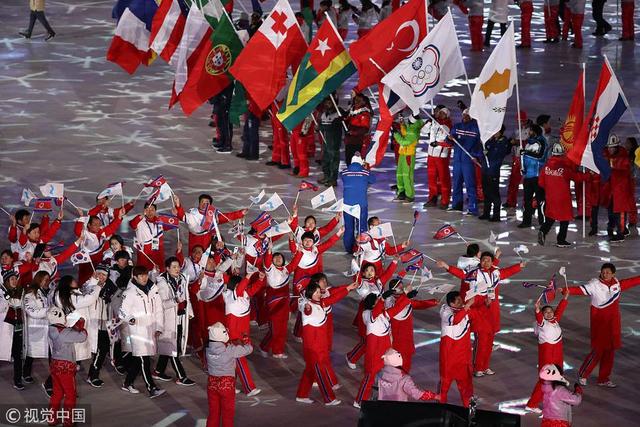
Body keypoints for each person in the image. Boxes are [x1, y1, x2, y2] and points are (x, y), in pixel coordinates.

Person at [438, 252, 524, 376]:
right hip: (478, 309)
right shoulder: (475, 273)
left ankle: (485, 366)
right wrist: (446, 266)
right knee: (481, 342)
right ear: (480, 261)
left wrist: (519, 266)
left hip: (491, 310)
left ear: (492, 262)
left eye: (488, 260)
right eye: (483, 260)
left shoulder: (495, 273)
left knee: (489, 342)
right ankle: (477, 368)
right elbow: (461, 274)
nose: (485, 263)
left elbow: (506, 272)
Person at [565, 263, 640, 387]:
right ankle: (583, 374)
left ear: (613, 274)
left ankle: (604, 378)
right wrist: (565, 290)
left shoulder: (617, 285)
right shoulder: (594, 285)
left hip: (613, 324)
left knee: (610, 351)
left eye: (608, 272)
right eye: (603, 272)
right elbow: (579, 289)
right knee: (598, 351)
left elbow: (633, 281)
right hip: (599, 324)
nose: (605, 274)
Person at [296, 281, 357, 405]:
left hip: (321, 344)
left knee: (310, 370)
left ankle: (301, 395)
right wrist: (306, 307)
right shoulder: (306, 304)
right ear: (310, 293)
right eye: (316, 292)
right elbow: (305, 309)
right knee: (320, 371)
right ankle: (329, 398)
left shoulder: (321, 303)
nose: (319, 294)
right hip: (312, 346)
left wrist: (348, 288)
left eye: (319, 292)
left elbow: (334, 298)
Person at [353, 290, 409, 408]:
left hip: (385, 351)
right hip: (374, 353)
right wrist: (382, 299)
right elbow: (375, 312)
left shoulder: (383, 314)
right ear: (373, 304)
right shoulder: (367, 314)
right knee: (369, 378)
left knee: (385, 377)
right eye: (378, 300)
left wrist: (407, 297)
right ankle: (359, 401)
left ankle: (382, 397)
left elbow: (397, 308)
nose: (381, 302)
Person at [119, 266, 166, 398]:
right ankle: (151, 388)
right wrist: (131, 320)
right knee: (143, 359)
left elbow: (158, 310)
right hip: (137, 332)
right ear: (135, 277)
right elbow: (122, 312)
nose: (144, 278)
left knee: (138, 360)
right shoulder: (130, 293)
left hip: (150, 330)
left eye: (145, 275)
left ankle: (127, 383)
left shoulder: (153, 290)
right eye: (141, 276)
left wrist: (159, 327)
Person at [153, 256, 195, 386]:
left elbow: (186, 297)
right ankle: (181, 376)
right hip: (168, 319)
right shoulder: (162, 283)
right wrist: (175, 301)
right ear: (167, 269)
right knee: (173, 348)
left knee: (170, 346)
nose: (177, 269)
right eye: (174, 267)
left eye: (178, 266)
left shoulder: (181, 279)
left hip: (180, 318)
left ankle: (158, 371)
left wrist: (189, 312)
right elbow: (160, 305)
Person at [526, 291, 569, 413]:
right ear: (543, 314)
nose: (549, 314)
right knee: (545, 381)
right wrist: (537, 309)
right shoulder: (542, 324)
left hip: (557, 355)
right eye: (546, 312)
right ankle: (532, 404)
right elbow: (538, 317)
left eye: (551, 311)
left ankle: (554, 401)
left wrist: (565, 298)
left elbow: (560, 310)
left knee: (558, 378)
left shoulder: (555, 320)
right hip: (547, 357)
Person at [206, 322, 253, 427]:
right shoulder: (229, 350)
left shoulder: (208, 349)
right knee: (227, 414)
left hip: (212, 384)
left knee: (213, 413)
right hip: (226, 385)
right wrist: (246, 341)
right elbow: (248, 349)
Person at [538, 143, 585, 247]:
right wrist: (587, 175)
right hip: (563, 197)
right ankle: (561, 240)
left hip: (550, 196)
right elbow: (577, 178)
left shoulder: (546, 166)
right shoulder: (564, 167)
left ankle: (543, 231)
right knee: (565, 219)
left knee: (550, 217)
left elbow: (541, 182)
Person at [386, 278, 438, 372]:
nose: (402, 289)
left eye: (402, 287)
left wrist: (433, 302)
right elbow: (397, 308)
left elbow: (418, 304)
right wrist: (406, 296)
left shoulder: (405, 299)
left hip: (407, 335)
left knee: (406, 358)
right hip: (395, 336)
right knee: (394, 359)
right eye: (400, 288)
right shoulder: (389, 301)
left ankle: (404, 379)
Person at [47, 307, 87, 427]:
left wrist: (73, 328)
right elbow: (83, 336)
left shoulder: (52, 329)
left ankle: (51, 418)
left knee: (57, 393)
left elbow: (68, 332)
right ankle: (68, 421)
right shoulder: (64, 333)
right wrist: (81, 326)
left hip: (55, 364)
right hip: (66, 366)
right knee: (70, 395)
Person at [259, 246, 302, 358]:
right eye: (275, 257)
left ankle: (265, 346)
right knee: (277, 327)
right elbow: (267, 261)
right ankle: (277, 351)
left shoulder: (286, 269)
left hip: (284, 303)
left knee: (282, 328)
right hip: (274, 303)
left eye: (280, 257)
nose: (278, 259)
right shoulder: (269, 268)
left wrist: (300, 251)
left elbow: (295, 263)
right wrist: (269, 251)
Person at [439, 291, 475, 406]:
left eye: (461, 300)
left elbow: (476, 316)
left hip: (463, 357)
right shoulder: (445, 311)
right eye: (458, 301)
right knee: (444, 385)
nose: (462, 302)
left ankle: (468, 409)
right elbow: (454, 320)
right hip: (449, 357)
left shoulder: (463, 310)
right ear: (451, 303)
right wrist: (467, 307)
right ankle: (440, 409)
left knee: (466, 387)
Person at [22, 271, 54, 395]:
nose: (47, 281)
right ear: (38, 279)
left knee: (51, 353)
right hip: (35, 327)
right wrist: (49, 310)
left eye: (48, 279)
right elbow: (32, 311)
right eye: (44, 279)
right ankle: (26, 373)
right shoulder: (30, 293)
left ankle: (53, 379)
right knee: (31, 353)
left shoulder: (48, 292)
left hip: (47, 327)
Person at [602, 135, 635, 242]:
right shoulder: (607, 156)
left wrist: (608, 163)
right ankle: (612, 228)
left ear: (616, 147)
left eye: (612, 147)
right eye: (609, 147)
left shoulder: (623, 158)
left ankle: (620, 233)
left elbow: (621, 166)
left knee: (620, 211)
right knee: (611, 211)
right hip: (611, 190)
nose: (610, 149)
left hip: (620, 190)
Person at [450, 109, 483, 215]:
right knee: (456, 184)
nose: (465, 117)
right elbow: (450, 141)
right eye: (463, 115)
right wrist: (449, 138)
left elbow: (480, 145)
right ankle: (457, 205)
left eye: (467, 115)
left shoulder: (476, 128)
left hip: (468, 161)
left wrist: (476, 155)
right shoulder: (457, 126)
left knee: (470, 185)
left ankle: (473, 208)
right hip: (457, 160)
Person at [341, 153, 375, 252]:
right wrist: (365, 169)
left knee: (349, 227)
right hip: (361, 205)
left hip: (347, 205)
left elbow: (343, 178)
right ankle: (362, 247)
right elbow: (373, 179)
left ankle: (348, 248)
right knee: (361, 226)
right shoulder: (365, 173)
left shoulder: (344, 172)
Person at [0, 270, 25, 390]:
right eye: (12, 279)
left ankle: (18, 380)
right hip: (5, 328)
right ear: (7, 281)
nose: (15, 281)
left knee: (18, 355)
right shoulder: (1, 294)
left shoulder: (21, 292)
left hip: (18, 329)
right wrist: (5, 299)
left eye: (16, 279)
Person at [424, 107, 453, 209]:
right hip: (431, 155)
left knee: (444, 179)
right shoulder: (433, 122)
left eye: (442, 113)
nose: (440, 114)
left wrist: (439, 143)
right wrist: (429, 122)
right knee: (431, 178)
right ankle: (432, 198)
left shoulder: (448, 125)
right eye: (439, 113)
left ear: (447, 115)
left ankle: (445, 201)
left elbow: (450, 143)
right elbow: (423, 131)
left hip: (441, 157)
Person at [480, 125, 511, 221]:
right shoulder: (492, 140)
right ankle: (486, 213)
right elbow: (486, 148)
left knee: (494, 194)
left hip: (493, 171)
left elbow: (497, 153)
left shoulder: (503, 142)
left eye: (496, 131)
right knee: (486, 193)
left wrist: (489, 150)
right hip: (485, 170)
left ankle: (496, 215)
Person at [519, 124, 547, 228]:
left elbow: (540, 156)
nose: (528, 132)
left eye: (530, 130)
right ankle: (526, 221)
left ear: (534, 131)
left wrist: (526, 152)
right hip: (528, 176)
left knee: (540, 200)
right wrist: (522, 167)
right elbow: (523, 157)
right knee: (527, 200)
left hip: (538, 175)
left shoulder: (542, 141)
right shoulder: (528, 142)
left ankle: (543, 221)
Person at [394, 114, 424, 203]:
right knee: (399, 174)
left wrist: (396, 134)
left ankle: (410, 195)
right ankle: (401, 193)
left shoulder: (414, 132)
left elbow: (404, 141)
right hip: (402, 154)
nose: (408, 122)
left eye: (409, 121)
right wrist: (402, 124)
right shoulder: (410, 127)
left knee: (407, 176)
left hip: (408, 156)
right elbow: (405, 131)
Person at [129, 203, 166, 271]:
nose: (149, 212)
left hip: (157, 254)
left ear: (155, 211)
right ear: (144, 210)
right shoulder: (140, 221)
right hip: (144, 255)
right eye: (147, 209)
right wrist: (141, 216)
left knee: (158, 275)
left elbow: (172, 224)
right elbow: (132, 224)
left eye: (152, 209)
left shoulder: (160, 221)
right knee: (143, 274)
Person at [318, 97, 344, 187]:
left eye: (329, 103)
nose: (327, 105)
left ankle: (333, 179)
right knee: (325, 159)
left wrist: (323, 128)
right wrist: (318, 127)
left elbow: (335, 126)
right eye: (326, 103)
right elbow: (320, 124)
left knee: (334, 160)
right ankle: (326, 176)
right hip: (325, 141)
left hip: (334, 141)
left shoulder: (338, 113)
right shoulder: (323, 113)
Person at [344, 93, 372, 166]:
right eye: (355, 99)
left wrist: (353, 132)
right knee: (348, 161)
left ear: (364, 102)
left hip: (359, 142)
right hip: (350, 140)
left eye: (359, 100)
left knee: (357, 162)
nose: (356, 101)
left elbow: (365, 129)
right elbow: (347, 121)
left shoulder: (364, 113)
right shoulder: (352, 110)